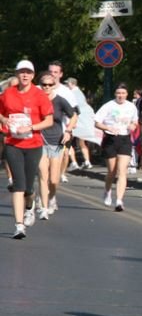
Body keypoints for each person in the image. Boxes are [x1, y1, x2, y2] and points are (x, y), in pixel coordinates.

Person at [0, 60, 54, 239]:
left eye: (28, 73)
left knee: (29, 187)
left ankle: (29, 206)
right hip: (13, 143)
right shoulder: (8, 93)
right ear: (17, 74)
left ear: (32, 75)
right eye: (21, 72)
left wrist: (31, 128)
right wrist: (4, 120)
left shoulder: (39, 95)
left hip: (33, 145)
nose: (25, 75)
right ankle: (19, 225)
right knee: (18, 185)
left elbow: (49, 120)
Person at [37, 72, 77, 220]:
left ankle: (52, 197)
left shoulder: (60, 101)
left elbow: (73, 115)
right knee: (43, 175)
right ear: (40, 85)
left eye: (50, 84)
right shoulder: (37, 99)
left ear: (54, 85)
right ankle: (44, 207)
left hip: (57, 142)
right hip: (39, 141)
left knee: (54, 179)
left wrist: (68, 131)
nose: (47, 87)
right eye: (44, 84)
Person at [94, 83, 138, 211]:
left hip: (125, 139)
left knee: (122, 171)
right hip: (110, 139)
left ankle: (119, 201)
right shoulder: (108, 106)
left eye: (123, 93)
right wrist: (108, 127)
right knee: (112, 172)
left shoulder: (131, 106)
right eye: (118, 93)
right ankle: (107, 191)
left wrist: (133, 126)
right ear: (115, 94)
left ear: (126, 94)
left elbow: (135, 121)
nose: (120, 96)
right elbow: (97, 122)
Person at [66, 77, 94, 169]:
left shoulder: (72, 93)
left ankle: (74, 162)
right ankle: (87, 161)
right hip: (83, 121)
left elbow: (72, 107)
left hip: (75, 120)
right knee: (82, 142)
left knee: (68, 142)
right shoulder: (81, 94)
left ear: (72, 84)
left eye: (68, 84)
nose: (67, 85)